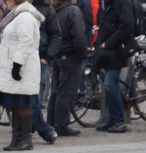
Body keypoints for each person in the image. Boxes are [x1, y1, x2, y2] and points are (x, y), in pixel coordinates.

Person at [0, 0, 44, 151]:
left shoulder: (25, 17)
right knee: (14, 104)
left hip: (22, 69)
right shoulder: (16, 16)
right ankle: (16, 138)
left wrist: (17, 64)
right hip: (14, 67)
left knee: (23, 104)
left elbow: (26, 42)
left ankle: (25, 139)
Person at [46, 0, 86, 136]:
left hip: (58, 55)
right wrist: (81, 54)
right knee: (66, 91)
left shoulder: (54, 10)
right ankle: (61, 125)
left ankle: (51, 122)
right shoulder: (73, 11)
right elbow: (79, 35)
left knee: (56, 90)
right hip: (70, 55)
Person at [93, 0, 134, 133]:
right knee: (109, 86)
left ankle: (119, 120)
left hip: (117, 51)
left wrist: (108, 43)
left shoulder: (121, 4)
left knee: (110, 85)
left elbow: (127, 27)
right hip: (107, 51)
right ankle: (111, 119)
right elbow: (103, 26)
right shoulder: (105, 4)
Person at [31, 0, 60, 143]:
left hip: (40, 57)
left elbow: (55, 34)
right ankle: (36, 127)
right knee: (31, 96)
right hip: (26, 57)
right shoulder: (23, 8)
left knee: (38, 93)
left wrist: (48, 56)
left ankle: (34, 127)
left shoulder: (48, 10)